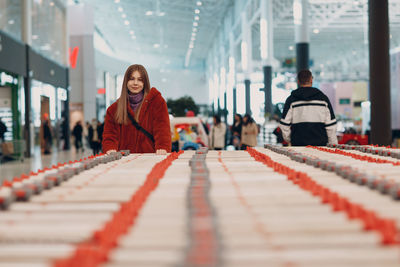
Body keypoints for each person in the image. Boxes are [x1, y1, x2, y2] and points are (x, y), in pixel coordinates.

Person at [102, 64, 171, 154]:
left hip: (150, 159)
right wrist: (110, 148)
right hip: (124, 161)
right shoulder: (114, 109)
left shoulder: (157, 102)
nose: (135, 83)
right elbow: (110, 136)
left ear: (145, 82)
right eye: (131, 79)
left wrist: (163, 147)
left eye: (140, 80)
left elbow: (162, 131)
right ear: (126, 81)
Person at [279, 69, 337, 146]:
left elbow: (284, 125)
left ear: (298, 81)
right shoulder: (323, 99)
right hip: (320, 146)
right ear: (311, 80)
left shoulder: (291, 100)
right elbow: (330, 126)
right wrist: (333, 144)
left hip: (298, 146)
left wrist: (291, 139)